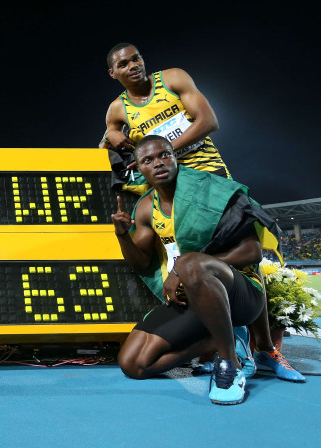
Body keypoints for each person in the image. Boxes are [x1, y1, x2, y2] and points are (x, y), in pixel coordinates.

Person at [111, 136, 297, 405]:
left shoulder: (213, 191)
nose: (158, 163)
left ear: (175, 157)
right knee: (133, 364)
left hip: (240, 294)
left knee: (189, 262)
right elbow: (140, 263)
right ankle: (216, 342)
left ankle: (228, 365)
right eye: (148, 160)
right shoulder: (144, 208)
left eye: (164, 155)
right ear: (138, 169)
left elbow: (252, 252)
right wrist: (122, 235)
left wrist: (184, 268)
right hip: (193, 299)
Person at [101, 43, 230, 193]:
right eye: (123, 64)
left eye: (136, 59)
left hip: (208, 169)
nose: (133, 66)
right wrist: (109, 135)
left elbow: (209, 121)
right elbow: (102, 151)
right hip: (170, 186)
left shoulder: (173, 78)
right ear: (112, 73)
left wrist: (162, 151)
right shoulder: (117, 108)